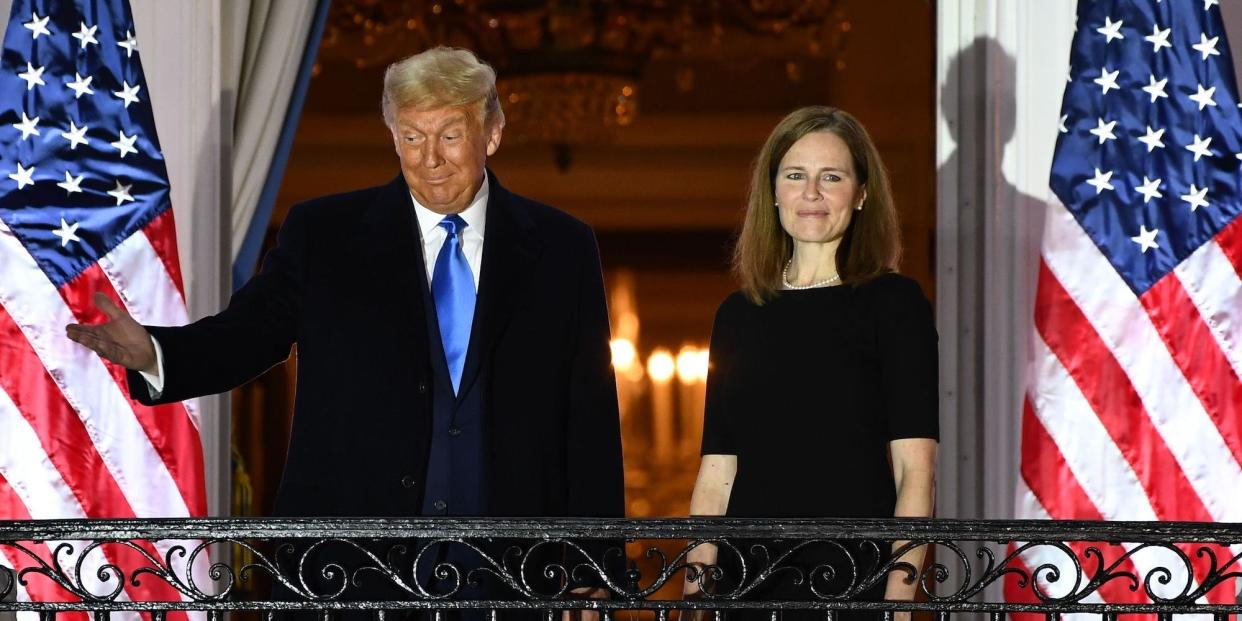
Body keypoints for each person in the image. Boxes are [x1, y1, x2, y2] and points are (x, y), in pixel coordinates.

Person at [66, 46, 624, 597]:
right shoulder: (324, 235)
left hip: (516, 575)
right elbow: (249, 333)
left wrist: (594, 564)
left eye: (450, 136)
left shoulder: (561, 247)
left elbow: (589, 411)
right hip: (351, 570)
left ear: (492, 134)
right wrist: (158, 354)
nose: (430, 158)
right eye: (411, 136)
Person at [682, 106, 938, 621]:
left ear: (862, 193)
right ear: (773, 191)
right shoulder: (737, 314)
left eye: (833, 177)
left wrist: (899, 606)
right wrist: (694, 600)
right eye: (795, 175)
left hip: (852, 584)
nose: (812, 193)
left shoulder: (895, 304)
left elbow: (916, 471)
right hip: (745, 585)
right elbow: (717, 474)